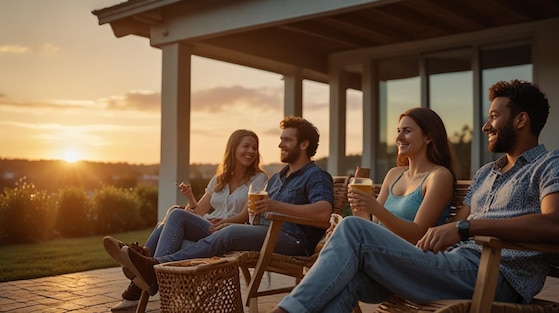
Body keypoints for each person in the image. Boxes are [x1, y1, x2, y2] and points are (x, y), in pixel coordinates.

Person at [269, 79, 559, 313]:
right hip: (452, 265)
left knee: (353, 231)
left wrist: (467, 228)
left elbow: (557, 225)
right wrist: (445, 234)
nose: (486, 125)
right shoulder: (487, 173)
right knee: (347, 275)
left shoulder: (552, 164)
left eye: (494, 117)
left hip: (495, 276)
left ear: (521, 120)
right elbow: (450, 231)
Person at [118, 116, 334, 297]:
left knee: (228, 231)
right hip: (263, 232)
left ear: (304, 144)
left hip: (293, 240)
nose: (280, 144)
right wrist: (247, 219)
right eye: (280, 139)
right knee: (178, 214)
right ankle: (151, 265)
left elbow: (324, 211)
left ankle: (155, 266)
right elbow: (256, 214)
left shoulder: (317, 176)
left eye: (286, 140)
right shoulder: (278, 178)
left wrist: (273, 207)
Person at [103, 129, 267, 312]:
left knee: (175, 214)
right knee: (174, 211)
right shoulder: (219, 180)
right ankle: (145, 263)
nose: (251, 151)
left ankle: (143, 274)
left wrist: (223, 223)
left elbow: (246, 215)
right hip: (208, 225)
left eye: (254, 147)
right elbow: (199, 211)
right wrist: (190, 198)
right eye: (246, 146)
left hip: (229, 230)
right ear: (234, 147)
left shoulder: (258, 178)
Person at [348, 107, 456, 244]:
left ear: (428, 137)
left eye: (407, 131)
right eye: (399, 131)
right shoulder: (394, 174)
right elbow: (373, 224)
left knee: (347, 227)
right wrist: (359, 206)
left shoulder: (439, 176)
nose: (399, 138)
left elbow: (418, 234)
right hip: (377, 248)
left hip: (410, 255)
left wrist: (376, 208)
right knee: (345, 227)